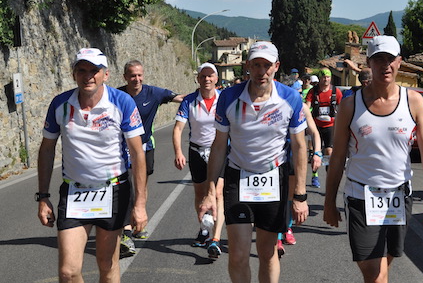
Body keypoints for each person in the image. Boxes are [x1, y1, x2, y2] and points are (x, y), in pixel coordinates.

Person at [323, 35, 423, 283]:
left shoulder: (414, 101)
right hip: (360, 195)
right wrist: (329, 202)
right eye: (379, 59)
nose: (385, 65)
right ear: (369, 63)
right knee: (375, 272)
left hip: (399, 196)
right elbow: (338, 157)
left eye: (390, 59)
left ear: (399, 62)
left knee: (383, 265)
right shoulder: (350, 105)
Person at [198, 41, 309, 283]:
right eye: (256, 65)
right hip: (238, 178)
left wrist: (300, 195)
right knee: (238, 255)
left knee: (267, 253)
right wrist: (209, 191)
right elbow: (219, 145)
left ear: (276, 66)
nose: (261, 71)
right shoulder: (229, 97)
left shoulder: (290, 98)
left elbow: (300, 147)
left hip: (274, 178)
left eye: (267, 66)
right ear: (247, 66)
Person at [37, 48, 147, 282]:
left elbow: (138, 154)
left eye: (94, 71)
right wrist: (43, 196)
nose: (88, 76)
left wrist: (139, 204)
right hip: (74, 191)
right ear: (74, 74)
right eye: (82, 70)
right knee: (68, 272)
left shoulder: (121, 102)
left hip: (113, 190)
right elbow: (46, 149)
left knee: (107, 265)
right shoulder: (60, 104)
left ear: (105, 74)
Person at [118, 60, 184, 255]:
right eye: (132, 75)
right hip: (123, 147)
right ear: (125, 77)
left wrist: (205, 93)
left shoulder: (153, 93)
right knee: (127, 186)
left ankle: (138, 221)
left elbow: (180, 98)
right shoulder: (117, 95)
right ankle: (126, 231)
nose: (136, 79)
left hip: (146, 146)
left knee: (141, 185)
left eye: (139, 75)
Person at [172, 63, 225, 256]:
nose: (207, 79)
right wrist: (178, 152)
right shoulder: (189, 101)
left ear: (216, 79)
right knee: (200, 193)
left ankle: (215, 239)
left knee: (217, 193)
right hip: (196, 151)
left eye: (210, 76)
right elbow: (178, 128)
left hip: (218, 151)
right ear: (198, 79)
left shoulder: (223, 99)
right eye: (203, 76)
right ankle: (204, 229)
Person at [277, 103, 323, 256]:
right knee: (277, 197)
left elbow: (314, 132)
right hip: (275, 155)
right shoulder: (275, 103)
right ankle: (277, 236)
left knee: (290, 197)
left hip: (294, 154)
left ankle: (287, 228)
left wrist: (317, 153)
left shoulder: (301, 106)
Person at [305, 67, 342, 188]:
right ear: (320, 78)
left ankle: (329, 177)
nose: (326, 79)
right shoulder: (313, 91)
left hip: (330, 126)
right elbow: (307, 106)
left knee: (329, 152)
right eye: (324, 77)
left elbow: (342, 107)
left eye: (328, 77)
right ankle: (314, 175)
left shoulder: (336, 91)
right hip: (316, 126)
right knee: (316, 151)